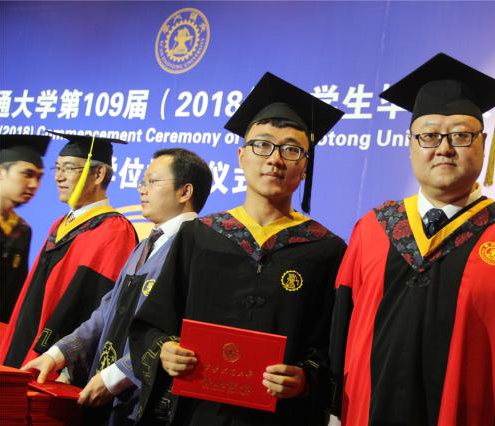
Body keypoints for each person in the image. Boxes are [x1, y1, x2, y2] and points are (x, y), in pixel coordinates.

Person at [329, 53, 495, 425]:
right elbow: (339, 341)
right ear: (410, 144)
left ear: (483, 143)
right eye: (429, 135)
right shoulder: (371, 230)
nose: (444, 148)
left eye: (461, 135)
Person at [129, 72, 346, 425]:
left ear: (305, 166)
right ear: (241, 156)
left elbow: (332, 347)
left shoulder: (325, 250)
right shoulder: (199, 236)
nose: (275, 159)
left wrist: (306, 378)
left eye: (291, 149)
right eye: (262, 145)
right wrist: (165, 351)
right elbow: (152, 324)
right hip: (196, 415)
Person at [22, 148, 213, 425]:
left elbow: (171, 334)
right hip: (106, 394)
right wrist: (56, 354)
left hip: (145, 401)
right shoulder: (146, 244)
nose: (142, 190)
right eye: (142, 182)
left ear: (185, 192)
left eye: (152, 181)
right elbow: (107, 310)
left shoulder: (198, 250)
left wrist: (115, 378)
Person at [1, 132, 138, 369]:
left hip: (56, 365)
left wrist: (66, 362)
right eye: (57, 168)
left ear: (98, 174)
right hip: (23, 351)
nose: (59, 177)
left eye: (69, 168)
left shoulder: (114, 230)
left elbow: (100, 307)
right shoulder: (61, 224)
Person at [0, 134, 51, 323]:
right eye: (27, 174)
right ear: (0, 172)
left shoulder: (22, 230)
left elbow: (14, 295)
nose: (34, 185)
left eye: (39, 177)